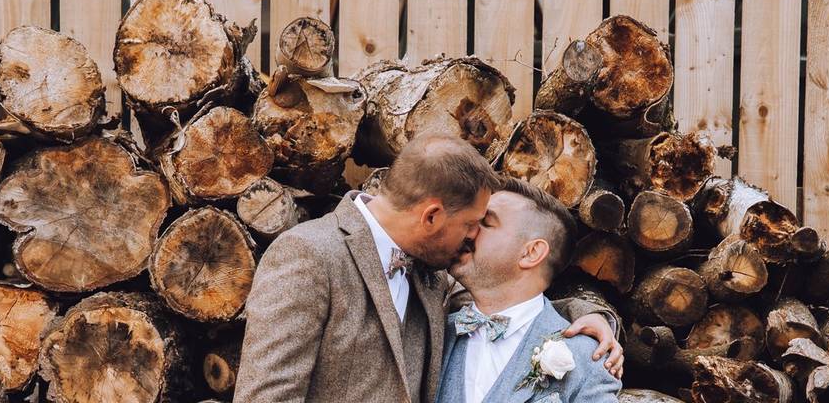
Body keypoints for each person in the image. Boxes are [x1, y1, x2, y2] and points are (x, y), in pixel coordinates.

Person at [233, 132, 622, 403]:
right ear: (433, 217)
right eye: (472, 223)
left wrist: (590, 318)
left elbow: (511, 304)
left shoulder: (432, 276)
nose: (471, 236)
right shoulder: (309, 255)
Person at [436, 177, 622, 403]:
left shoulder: (587, 360)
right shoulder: (435, 334)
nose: (468, 230)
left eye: (485, 223)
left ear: (531, 253)